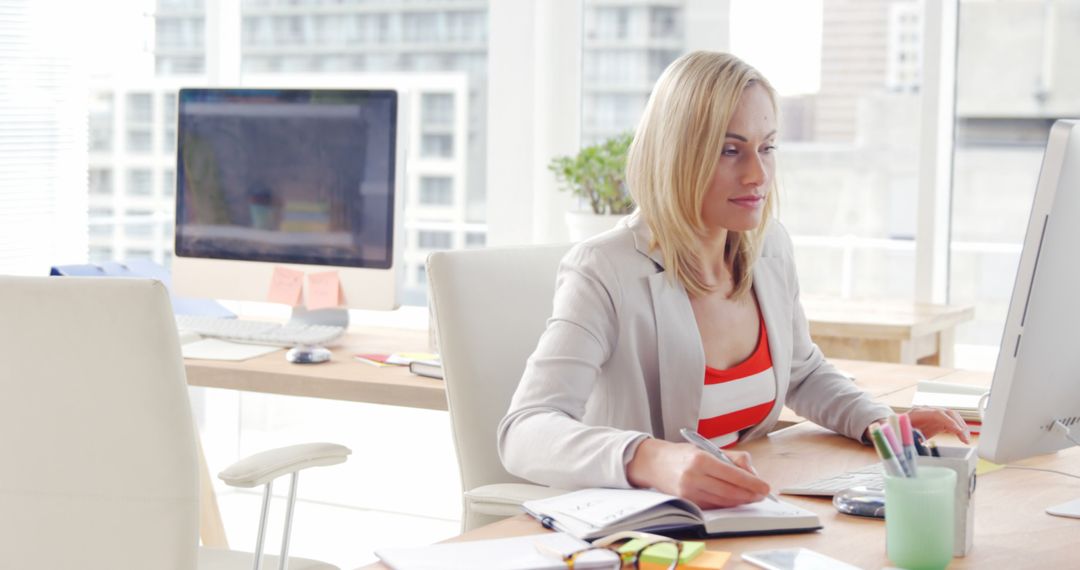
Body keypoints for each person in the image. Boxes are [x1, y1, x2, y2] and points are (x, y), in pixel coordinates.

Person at [496, 51, 969, 509]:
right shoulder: (605, 269)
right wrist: (651, 458)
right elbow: (525, 429)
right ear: (677, 156)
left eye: (766, 148)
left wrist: (881, 423)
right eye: (730, 150)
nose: (757, 174)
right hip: (646, 528)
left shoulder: (768, 249)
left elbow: (801, 373)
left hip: (746, 508)